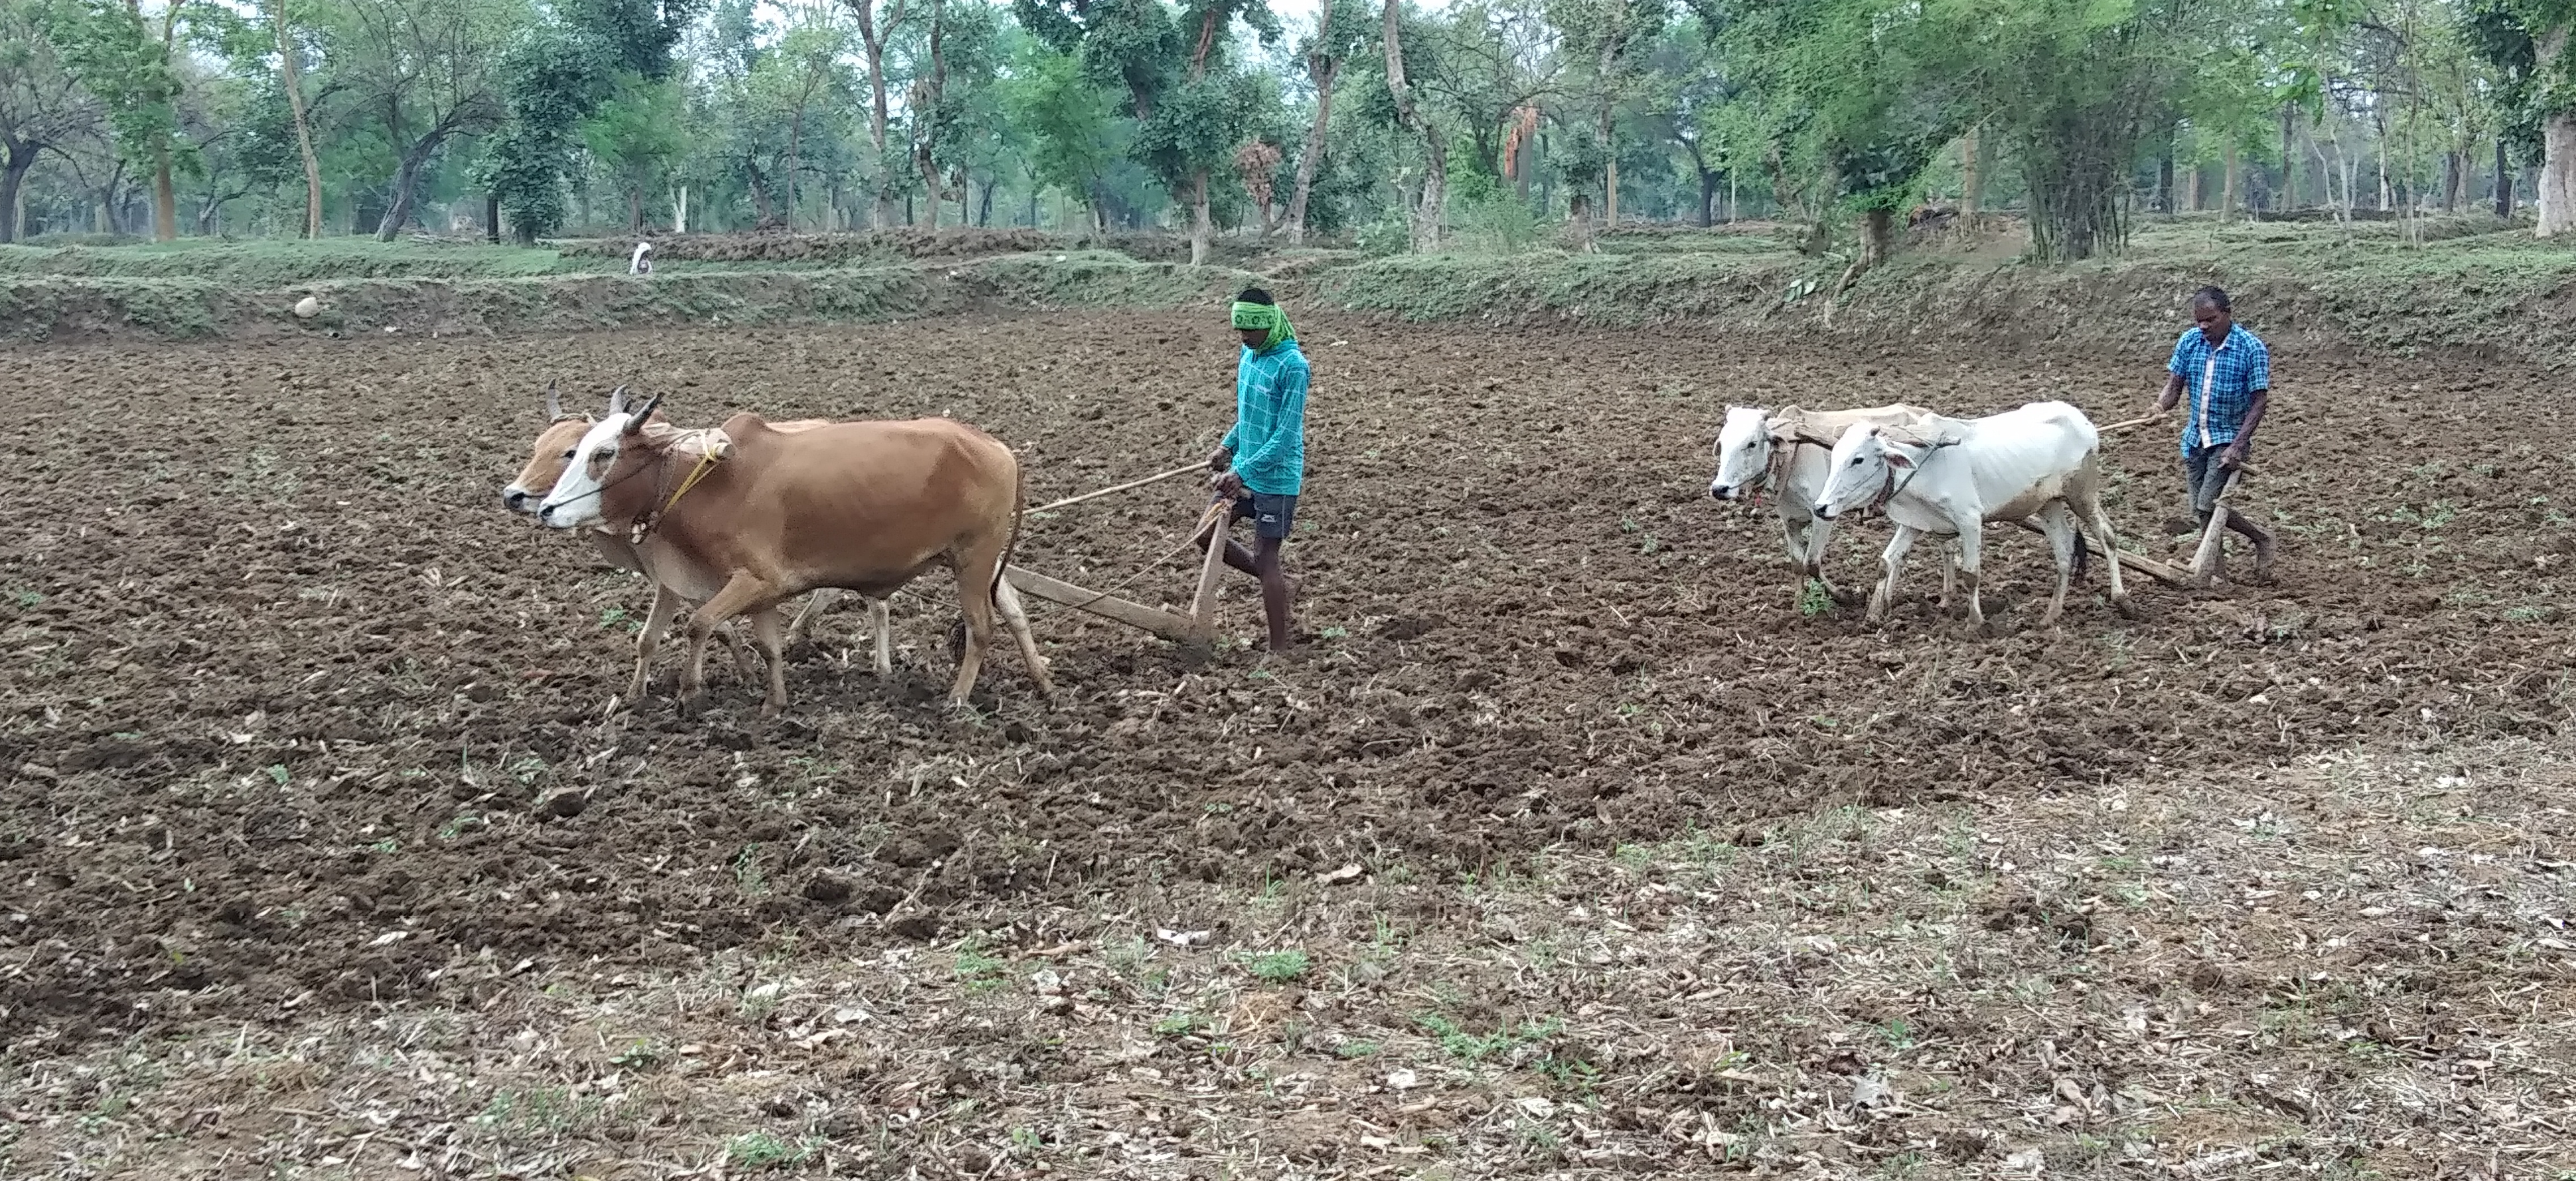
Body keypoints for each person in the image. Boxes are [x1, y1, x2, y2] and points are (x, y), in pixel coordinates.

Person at [1201, 286, 1309, 652]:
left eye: (1250, 330)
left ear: (1268, 325)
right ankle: (1281, 582)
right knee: (1204, 534)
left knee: (1267, 556)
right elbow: (1250, 415)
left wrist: (1241, 470)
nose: (1244, 338)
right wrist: (1227, 445)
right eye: (1239, 330)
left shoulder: (1293, 366)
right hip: (1245, 470)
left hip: (1276, 477)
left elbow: (1284, 435)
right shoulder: (1249, 355)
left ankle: (1280, 647)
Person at [2157, 285, 2277, 578]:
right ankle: (2216, 573)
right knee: (2202, 511)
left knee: (2208, 503)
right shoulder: (2190, 342)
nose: (2204, 326)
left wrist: (2238, 445)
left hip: (2229, 437)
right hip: (2195, 436)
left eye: (2210, 320)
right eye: (2199, 320)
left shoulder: (2251, 348)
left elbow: (2259, 401)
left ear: (2227, 315)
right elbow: (2174, 387)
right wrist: (2158, 408)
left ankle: (2261, 538)